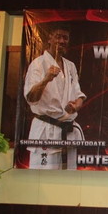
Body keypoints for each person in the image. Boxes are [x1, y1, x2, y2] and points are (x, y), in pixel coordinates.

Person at [24, 23, 86, 170]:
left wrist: (77, 105)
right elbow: (31, 98)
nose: (62, 41)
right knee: (43, 177)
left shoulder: (70, 66)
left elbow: (78, 94)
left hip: (68, 130)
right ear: (49, 38)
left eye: (65, 38)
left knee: (69, 176)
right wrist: (46, 79)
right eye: (58, 37)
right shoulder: (38, 64)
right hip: (46, 130)